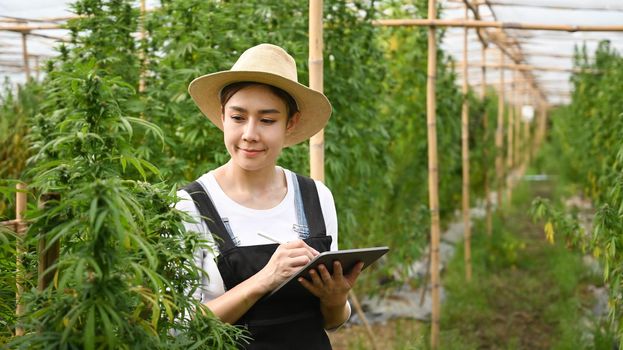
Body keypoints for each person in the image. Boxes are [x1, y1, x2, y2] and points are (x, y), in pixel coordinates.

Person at [175, 43, 363, 349]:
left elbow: (332, 320)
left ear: (291, 123)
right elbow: (180, 327)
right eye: (238, 117)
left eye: (267, 120)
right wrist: (265, 279)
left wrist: (336, 298)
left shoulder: (315, 197)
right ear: (223, 117)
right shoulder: (190, 205)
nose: (250, 133)